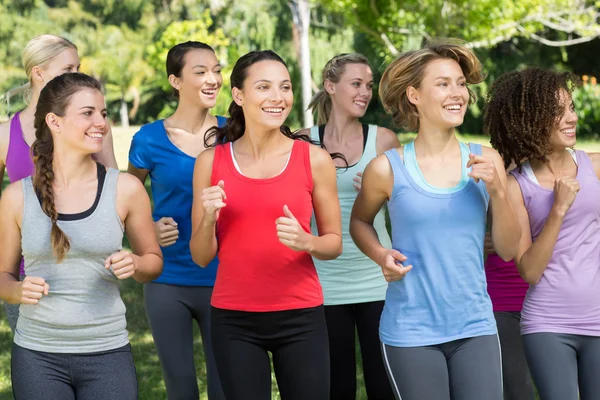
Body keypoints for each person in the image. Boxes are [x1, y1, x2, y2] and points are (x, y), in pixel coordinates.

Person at [350, 40, 521, 400]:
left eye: (460, 83)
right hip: (411, 331)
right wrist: (381, 254)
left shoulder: (487, 160)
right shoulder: (386, 168)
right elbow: (360, 222)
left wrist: (499, 192)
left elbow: (507, 249)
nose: (457, 93)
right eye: (442, 84)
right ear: (414, 95)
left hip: (475, 326)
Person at [189, 50, 342, 400]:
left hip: (301, 317)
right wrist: (208, 218)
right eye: (264, 87)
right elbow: (200, 256)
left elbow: (334, 243)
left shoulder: (314, 160)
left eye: (284, 87)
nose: (278, 97)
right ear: (239, 96)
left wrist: (308, 242)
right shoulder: (210, 163)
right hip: (234, 319)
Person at [0, 72, 162, 399]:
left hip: (108, 352)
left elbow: (153, 262)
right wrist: (16, 290)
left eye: (103, 113)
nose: (100, 122)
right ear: (54, 122)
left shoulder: (126, 189)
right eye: (87, 113)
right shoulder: (17, 197)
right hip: (37, 355)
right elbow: (2, 275)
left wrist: (135, 263)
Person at [486, 67, 600, 400]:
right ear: (530, 120)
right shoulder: (516, 184)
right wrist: (558, 210)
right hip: (547, 322)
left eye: (571, 108)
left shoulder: (595, 166)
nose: (571, 118)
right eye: (558, 112)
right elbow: (529, 270)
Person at [128, 41, 226, 400]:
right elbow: (127, 197)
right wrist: (146, 231)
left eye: (216, 70)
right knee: (181, 388)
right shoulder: (149, 139)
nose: (212, 78)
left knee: (225, 387)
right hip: (167, 280)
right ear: (175, 80)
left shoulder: (236, 133)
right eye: (200, 72)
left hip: (226, 278)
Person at [0, 34, 118, 331]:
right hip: (30, 276)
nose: (77, 75)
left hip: (89, 275)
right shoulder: (4, 135)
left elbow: (117, 192)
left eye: (79, 67)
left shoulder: (95, 128)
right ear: (38, 72)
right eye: (68, 69)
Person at [299, 53, 398, 399]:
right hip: (321, 281)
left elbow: (405, 209)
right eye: (356, 84)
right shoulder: (301, 141)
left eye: (368, 85)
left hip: (376, 279)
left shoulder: (383, 140)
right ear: (330, 86)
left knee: (383, 384)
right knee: (336, 386)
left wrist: (379, 194)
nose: (365, 92)